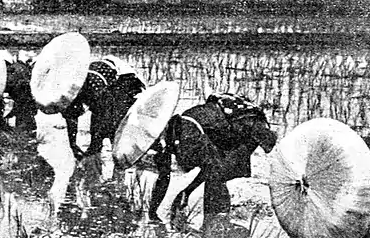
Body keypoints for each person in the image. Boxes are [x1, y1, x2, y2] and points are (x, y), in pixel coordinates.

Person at [148, 93, 277, 221]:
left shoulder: (186, 134)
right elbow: (164, 176)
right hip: (232, 127)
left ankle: (216, 224)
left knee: (216, 181)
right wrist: (153, 212)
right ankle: (218, 222)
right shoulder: (168, 137)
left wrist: (187, 192)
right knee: (216, 174)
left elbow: (211, 166)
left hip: (249, 128)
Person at [62, 57, 146, 160]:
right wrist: (73, 145)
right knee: (99, 127)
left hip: (124, 79)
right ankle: (96, 153)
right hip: (102, 77)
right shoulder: (71, 95)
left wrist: (96, 142)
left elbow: (103, 114)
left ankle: (122, 158)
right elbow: (71, 119)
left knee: (114, 126)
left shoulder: (96, 90)